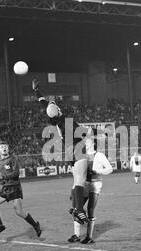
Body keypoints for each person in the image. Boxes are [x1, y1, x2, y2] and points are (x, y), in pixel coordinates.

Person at [32, 78, 90, 225]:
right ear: (58, 111)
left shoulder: (55, 118)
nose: (56, 105)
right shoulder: (65, 121)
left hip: (69, 151)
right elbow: (84, 133)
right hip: (77, 148)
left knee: (77, 180)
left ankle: (76, 208)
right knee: (81, 180)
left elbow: (44, 102)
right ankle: (79, 209)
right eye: (56, 106)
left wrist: (36, 91)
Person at [0, 141, 42, 237]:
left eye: (6, 146)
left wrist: (4, 176)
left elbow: (16, 173)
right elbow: (3, 171)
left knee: (19, 212)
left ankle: (35, 225)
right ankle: (0, 226)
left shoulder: (13, 159)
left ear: (8, 149)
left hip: (14, 187)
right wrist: (0, 176)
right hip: (5, 187)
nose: (4, 148)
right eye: (2, 147)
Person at [68, 137, 113, 244]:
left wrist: (97, 171)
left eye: (87, 141)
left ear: (93, 142)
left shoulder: (99, 155)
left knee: (90, 209)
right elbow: (77, 175)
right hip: (84, 185)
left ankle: (89, 237)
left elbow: (110, 169)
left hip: (95, 184)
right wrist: (74, 189)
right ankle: (76, 235)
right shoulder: (81, 156)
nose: (85, 142)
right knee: (76, 208)